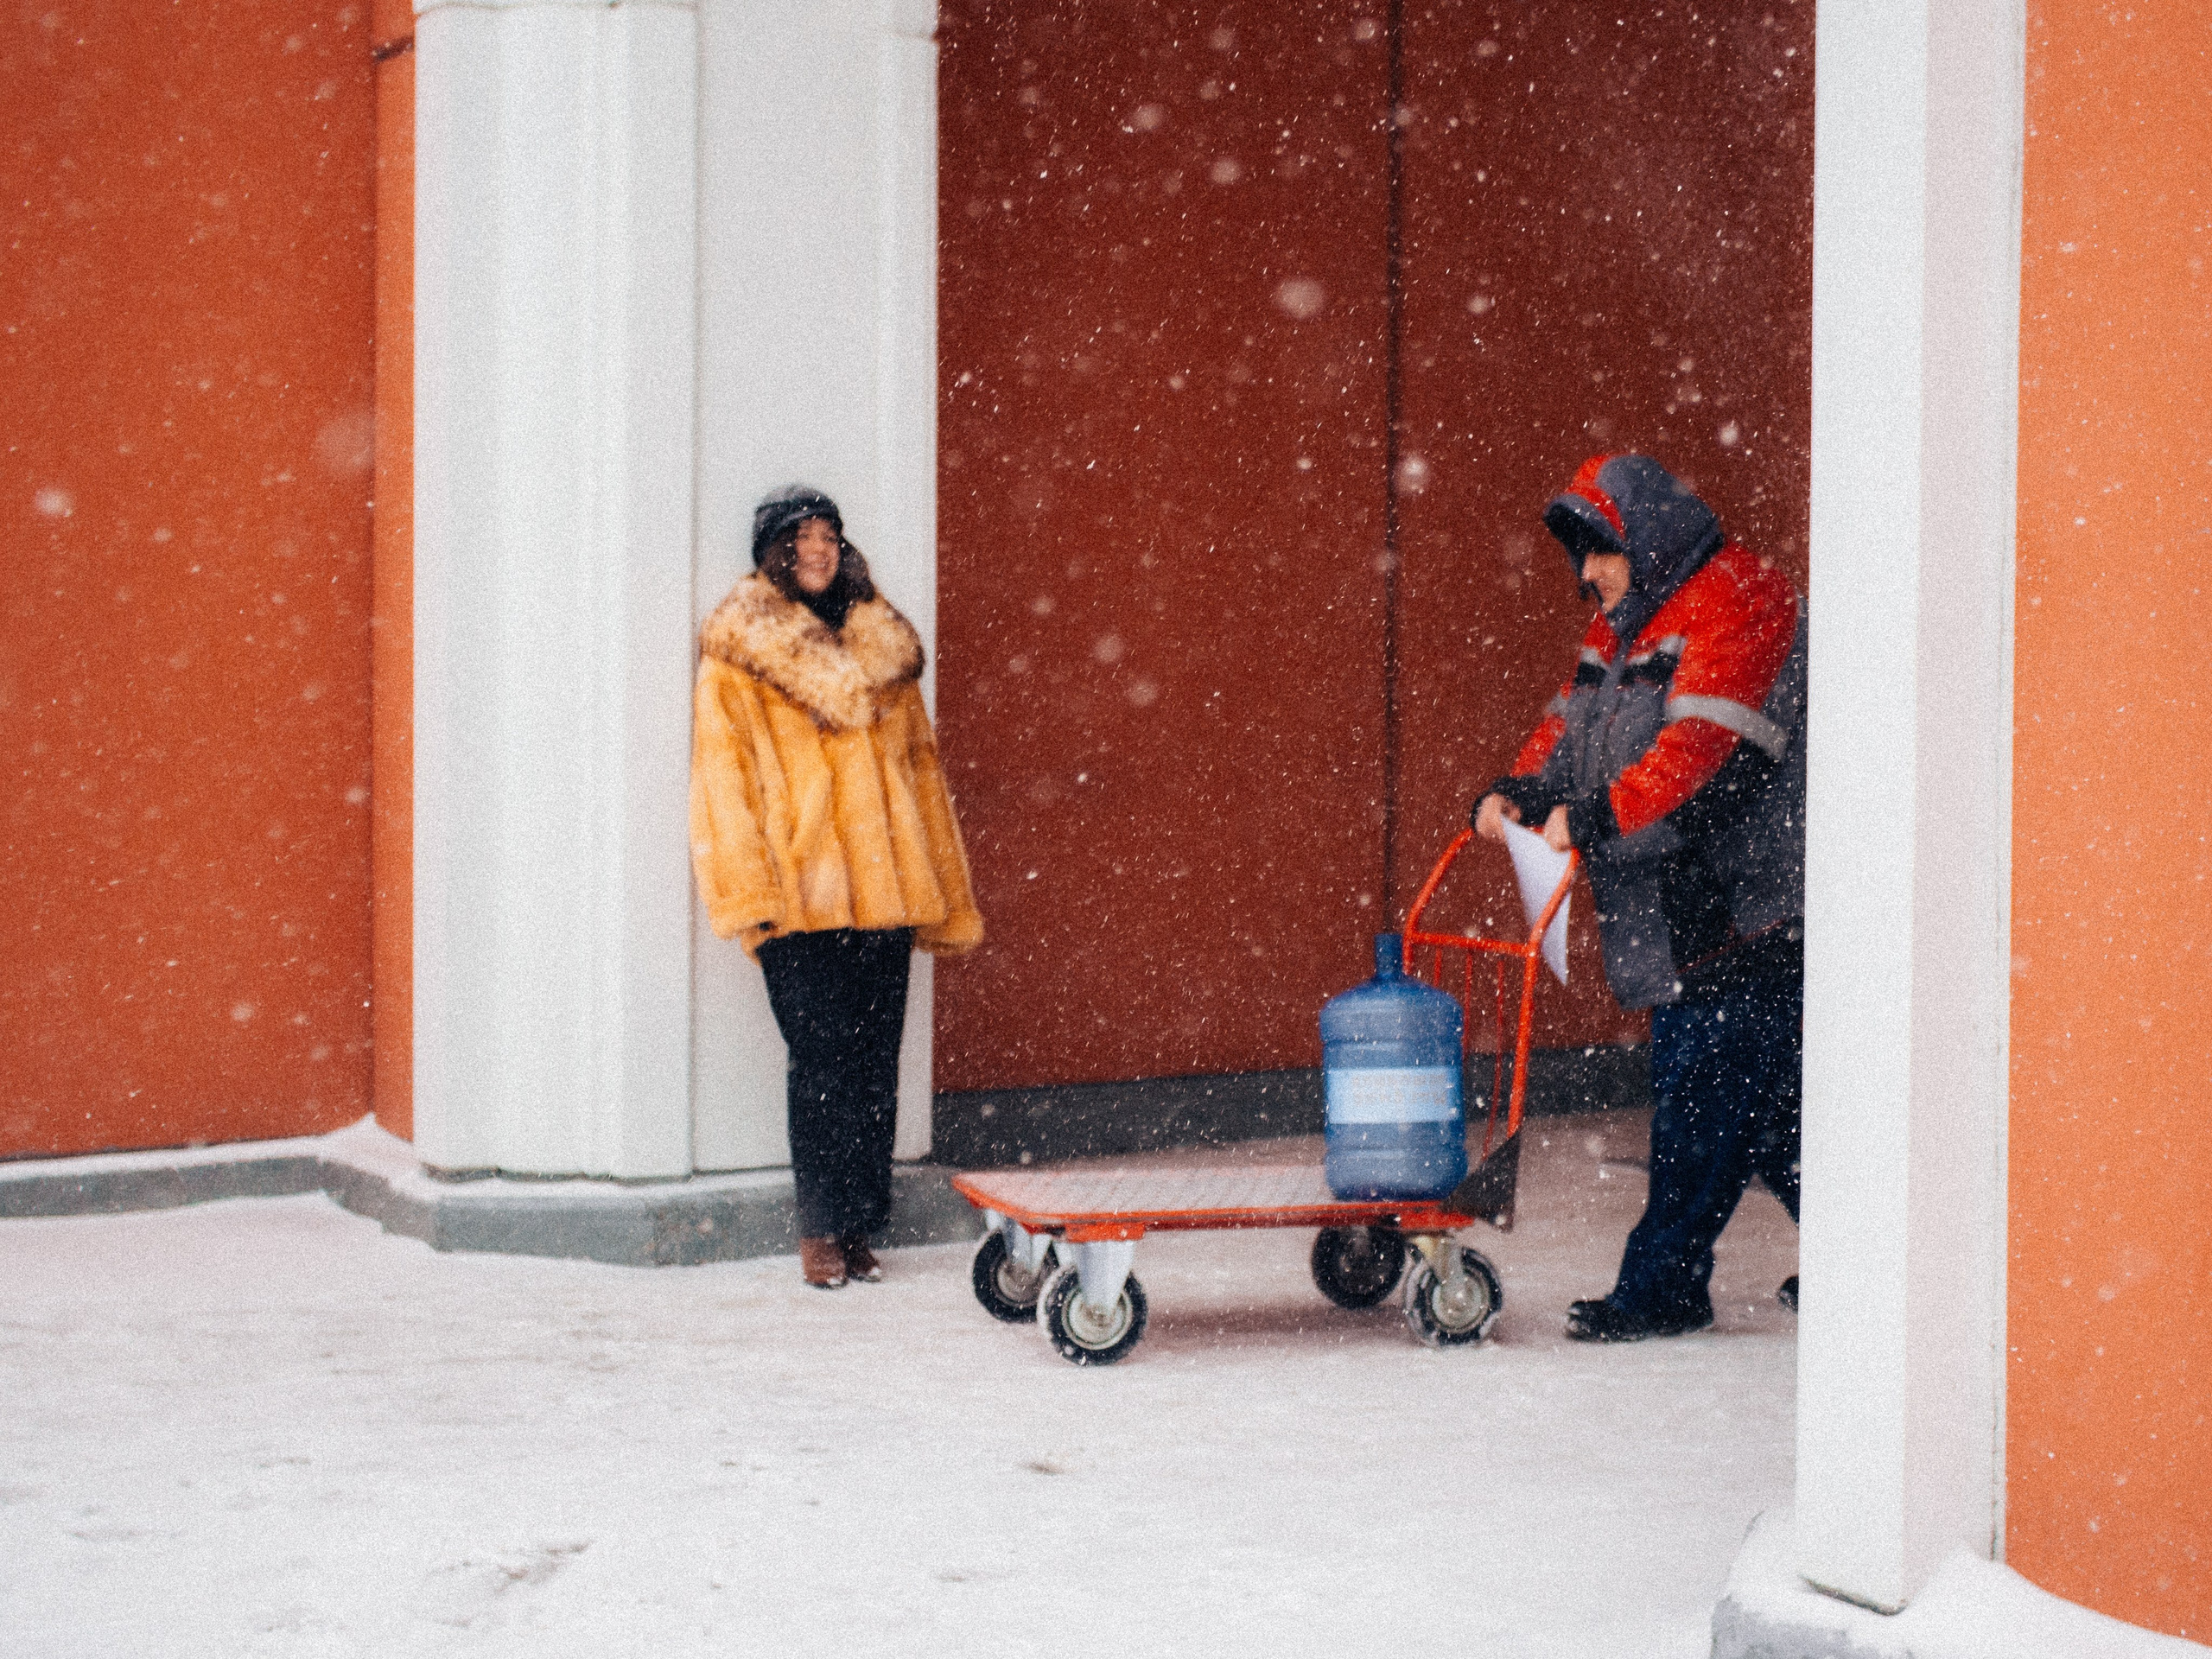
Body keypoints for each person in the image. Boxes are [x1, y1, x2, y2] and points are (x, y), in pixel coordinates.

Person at [1473, 454, 1806, 1341]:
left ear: (1643, 537)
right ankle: (1870, 1260)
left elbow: (1710, 765)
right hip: (1680, 915)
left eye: (1599, 553)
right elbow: (1570, 729)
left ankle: (1662, 1288)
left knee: (1701, 1105)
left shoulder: (1742, 602)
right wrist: (1522, 790)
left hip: (1743, 912)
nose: (1586, 577)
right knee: (1770, 1115)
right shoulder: (1622, 628)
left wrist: (1587, 818)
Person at [690, 486, 983, 1289]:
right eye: (801, 538)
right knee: (820, 1064)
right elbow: (725, 781)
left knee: (872, 1063)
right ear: (773, 553)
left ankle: (862, 1224)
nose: (818, 549)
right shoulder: (741, 653)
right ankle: (821, 1227)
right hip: (801, 898)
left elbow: (923, 774)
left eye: (829, 536)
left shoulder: (879, 645)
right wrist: (751, 896)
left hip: (887, 894)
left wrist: (943, 887)